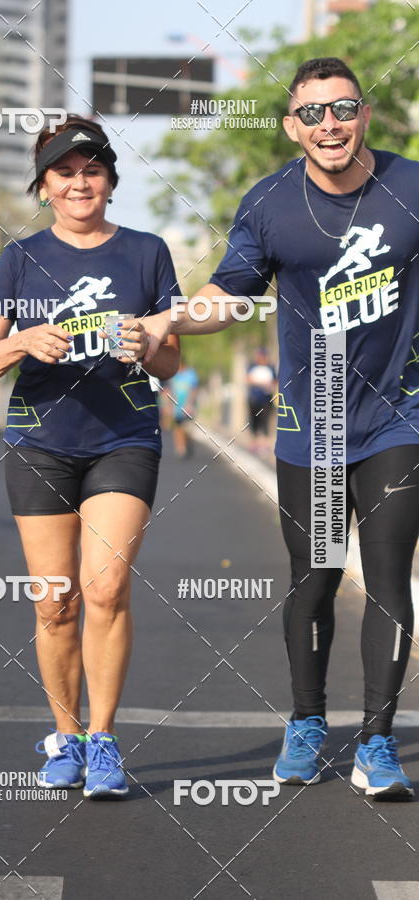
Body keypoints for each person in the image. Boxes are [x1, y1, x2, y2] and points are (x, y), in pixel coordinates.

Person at [141, 58, 419, 798]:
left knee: (389, 579)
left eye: (343, 108)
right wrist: (167, 319)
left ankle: (379, 743)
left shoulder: (412, 186)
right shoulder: (270, 204)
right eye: (313, 113)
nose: (330, 124)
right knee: (317, 579)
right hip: (315, 420)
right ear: (292, 126)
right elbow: (229, 296)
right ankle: (306, 722)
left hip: (398, 414)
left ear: (365, 115)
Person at [0, 115, 180, 798]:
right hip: (41, 443)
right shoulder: (19, 259)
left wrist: (147, 343)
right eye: (65, 172)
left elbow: (173, 360)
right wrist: (23, 343)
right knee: (55, 604)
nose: (80, 182)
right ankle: (65, 735)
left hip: (124, 437)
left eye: (93, 170)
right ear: (46, 187)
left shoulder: (147, 252)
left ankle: (106, 741)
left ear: (110, 180)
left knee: (106, 588)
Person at [162, 356, 199, 459]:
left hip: (188, 407)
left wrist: (190, 404)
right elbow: (168, 390)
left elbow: (194, 389)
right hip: (176, 407)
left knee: (186, 428)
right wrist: (168, 406)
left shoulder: (191, 374)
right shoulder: (172, 375)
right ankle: (180, 448)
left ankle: (187, 441)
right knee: (177, 428)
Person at [246, 347, 277, 456]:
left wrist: (268, 384)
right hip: (254, 399)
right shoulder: (252, 366)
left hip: (266, 399)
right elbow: (248, 379)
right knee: (254, 420)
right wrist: (260, 382)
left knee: (265, 421)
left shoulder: (270, 368)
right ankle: (254, 442)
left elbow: (275, 381)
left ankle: (264, 444)